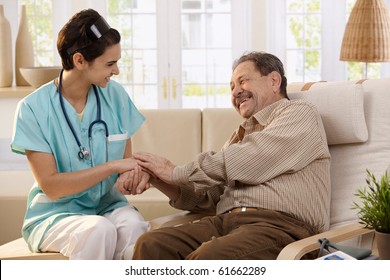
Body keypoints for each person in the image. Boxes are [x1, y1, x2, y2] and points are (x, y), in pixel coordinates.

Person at [131, 51, 331, 260]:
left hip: (281, 228)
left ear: (274, 81)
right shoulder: (238, 137)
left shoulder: (299, 113)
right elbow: (208, 198)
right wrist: (158, 176)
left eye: (242, 81)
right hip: (228, 223)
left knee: (209, 258)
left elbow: (252, 158)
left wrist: (176, 172)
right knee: (151, 244)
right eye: (232, 87)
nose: (236, 92)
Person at [11, 9, 150, 260]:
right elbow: (52, 187)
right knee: (98, 229)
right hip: (55, 215)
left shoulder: (115, 96)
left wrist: (132, 177)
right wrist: (112, 166)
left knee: (134, 227)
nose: (116, 70)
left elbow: (125, 168)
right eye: (110, 63)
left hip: (108, 206)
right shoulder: (33, 109)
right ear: (79, 60)